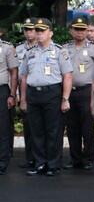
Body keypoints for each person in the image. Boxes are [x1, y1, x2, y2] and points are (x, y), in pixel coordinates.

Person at [19, 18, 73, 176]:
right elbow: (24, 76)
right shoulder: (30, 52)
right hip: (33, 93)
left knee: (53, 130)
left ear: (51, 33)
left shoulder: (59, 51)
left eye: (42, 30)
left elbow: (67, 76)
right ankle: (40, 163)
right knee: (36, 130)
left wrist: (65, 98)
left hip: (52, 93)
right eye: (37, 30)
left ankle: (53, 164)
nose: (39, 33)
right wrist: (23, 99)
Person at [63, 17, 94, 169]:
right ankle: (75, 158)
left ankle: (89, 158)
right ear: (71, 31)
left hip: (87, 91)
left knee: (87, 127)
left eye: (83, 29)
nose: (80, 32)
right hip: (70, 92)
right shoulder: (65, 48)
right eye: (77, 29)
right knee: (72, 127)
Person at [15, 18, 37, 169]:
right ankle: (30, 158)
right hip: (24, 90)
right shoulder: (18, 49)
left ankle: (41, 158)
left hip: (38, 90)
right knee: (28, 127)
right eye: (26, 30)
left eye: (31, 30)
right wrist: (16, 93)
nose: (28, 33)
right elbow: (16, 73)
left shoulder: (43, 47)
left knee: (40, 127)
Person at [0, 36, 18, 174]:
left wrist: (12, 94)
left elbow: (13, 72)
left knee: (3, 126)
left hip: (2, 90)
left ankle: (2, 161)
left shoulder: (7, 48)